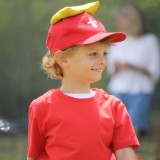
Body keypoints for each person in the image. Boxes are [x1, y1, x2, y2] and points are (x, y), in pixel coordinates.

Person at [27, 1, 140, 160]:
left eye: (104, 54)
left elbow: (126, 155)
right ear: (63, 59)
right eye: (93, 54)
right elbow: (34, 156)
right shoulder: (41, 107)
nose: (102, 61)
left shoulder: (114, 107)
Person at [106, 3, 160, 137]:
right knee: (115, 133)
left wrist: (132, 66)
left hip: (140, 93)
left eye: (121, 19)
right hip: (117, 91)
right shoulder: (117, 41)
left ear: (133, 20)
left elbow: (155, 71)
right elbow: (110, 70)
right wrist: (117, 67)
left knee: (132, 135)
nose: (118, 23)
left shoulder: (150, 41)